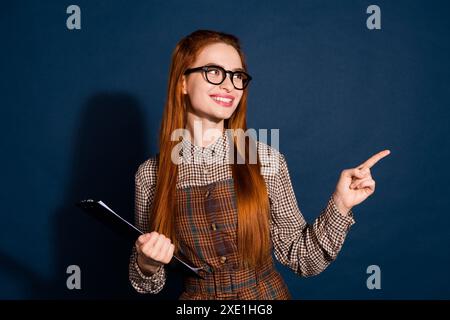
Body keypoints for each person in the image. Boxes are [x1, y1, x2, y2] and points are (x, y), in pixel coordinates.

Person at [128, 29, 390, 300]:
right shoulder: (150, 175)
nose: (229, 85)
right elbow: (149, 283)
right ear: (183, 82)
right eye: (214, 72)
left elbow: (303, 259)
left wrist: (340, 204)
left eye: (237, 76)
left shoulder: (266, 161)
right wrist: (147, 264)